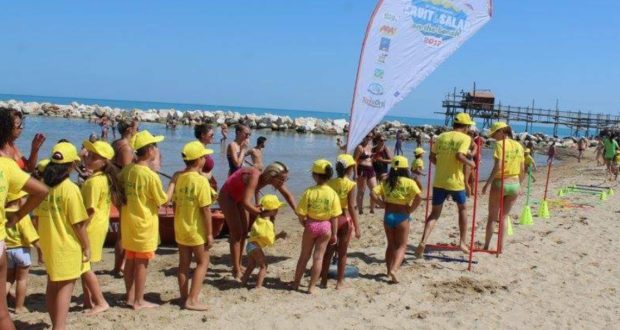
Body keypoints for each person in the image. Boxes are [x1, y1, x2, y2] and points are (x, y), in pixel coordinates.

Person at [34, 142, 108, 329]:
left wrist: (39, 244)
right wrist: (86, 246)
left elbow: (35, 217)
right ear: (71, 165)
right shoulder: (69, 189)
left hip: (49, 243)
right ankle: (59, 327)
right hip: (67, 245)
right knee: (65, 289)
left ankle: (55, 325)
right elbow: (79, 224)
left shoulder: (41, 187)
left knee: (52, 284)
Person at [0, 108, 49, 330]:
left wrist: (34, 149)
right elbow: (39, 189)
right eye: (18, 125)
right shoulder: (6, 162)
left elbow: (28, 169)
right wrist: (19, 214)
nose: (20, 129)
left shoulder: (12, 152)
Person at [218, 162, 296, 279]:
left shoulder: (271, 179)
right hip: (227, 196)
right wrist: (262, 215)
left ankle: (238, 265)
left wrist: (299, 213)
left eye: (285, 179)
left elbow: (288, 195)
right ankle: (235, 269)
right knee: (237, 233)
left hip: (240, 198)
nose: (283, 183)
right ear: (271, 176)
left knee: (244, 232)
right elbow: (246, 202)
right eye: (281, 180)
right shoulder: (254, 177)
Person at [415, 113, 476, 257]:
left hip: (439, 181)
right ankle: (462, 242)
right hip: (455, 182)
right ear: (466, 126)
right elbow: (459, 156)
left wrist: (441, 165)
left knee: (435, 213)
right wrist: (470, 163)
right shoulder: (466, 138)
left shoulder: (442, 136)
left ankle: (423, 240)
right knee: (462, 209)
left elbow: (431, 157)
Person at [119, 131, 168, 309]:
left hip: (128, 223)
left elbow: (118, 186)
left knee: (131, 260)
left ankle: (130, 297)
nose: (156, 149)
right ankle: (139, 300)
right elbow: (162, 200)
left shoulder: (127, 170)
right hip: (144, 225)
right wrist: (172, 186)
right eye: (154, 146)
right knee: (141, 263)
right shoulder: (150, 176)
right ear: (148, 151)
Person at [81, 140, 123, 311]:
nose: (88, 158)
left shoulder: (93, 182)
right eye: (89, 154)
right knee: (85, 265)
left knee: (83, 266)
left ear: (104, 161)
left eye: (94, 156)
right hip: (100, 225)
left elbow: (88, 211)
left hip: (90, 227)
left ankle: (99, 301)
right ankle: (87, 300)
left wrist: (78, 228)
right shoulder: (104, 178)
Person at [172, 141, 214, 310]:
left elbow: (175, 204)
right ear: (199, 160)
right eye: (204, 156)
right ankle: (192, 299)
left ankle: (184, 298)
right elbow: (206, 210)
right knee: (203, 262)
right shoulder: (201, 181)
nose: (206, 158)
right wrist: (210, 234)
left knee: (183, 264)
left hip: (180, 227)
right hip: (196, 230)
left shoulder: (179, 178)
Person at [293, 159, 341, 294]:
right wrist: (335, 234)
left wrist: (303, 222)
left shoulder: (309, 191)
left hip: (311, 224)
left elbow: (300, 212)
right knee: (318, 258)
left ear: (315, 175)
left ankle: (296, 284)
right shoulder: (332, 193)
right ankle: (311, 287)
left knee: (304, 256)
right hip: (326, 227)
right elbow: (335, 216)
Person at [371, 156, 421, 283]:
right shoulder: (409, 182)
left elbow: (373, 193)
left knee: (391, 245)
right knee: (402, 246)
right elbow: (419, 197)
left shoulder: (387, 181)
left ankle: (388, 271)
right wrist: (411, 209)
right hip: (402, 216)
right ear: (405, 169)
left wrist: (381, 204)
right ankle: (394, 269)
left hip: (388, 215)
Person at [481, 122, 524, 250]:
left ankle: (487, 246)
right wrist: (520, 185)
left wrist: (487, 184)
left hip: (501, 182)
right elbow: (522, 169)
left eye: (494, 133)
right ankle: (500, 247)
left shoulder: (500, 145)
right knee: (505, 217)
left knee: (492, 217)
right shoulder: (519, 145)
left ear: (501, 132)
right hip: (515, 183)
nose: (493, 136)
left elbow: (498, 166)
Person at [321, 154, 360, 289]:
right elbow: (351, 207)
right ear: (350, 168)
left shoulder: (329, 183)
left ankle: (323, 280)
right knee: (342, 253)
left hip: (330, 219)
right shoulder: (351, 184)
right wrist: (357, 227)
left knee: (328, 252)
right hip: (343, 218)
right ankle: (339, 282)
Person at [4, 192, 43, 314]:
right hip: (22, 251)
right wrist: (40, 253)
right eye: (25, 197)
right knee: (22, 280)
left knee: (8, 280)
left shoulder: (2, 214)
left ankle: (2, 305)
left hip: (7, 251)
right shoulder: (22, 216)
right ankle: (19, 307)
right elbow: (32, 237)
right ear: (19, 200)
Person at [110, 118, 139, 277]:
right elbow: (127, 173)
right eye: (136, 128)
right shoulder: (126, 147)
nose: (137, 130)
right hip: (121, 189)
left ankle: (117, 266)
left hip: (115, 187)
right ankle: (118, 267)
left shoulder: (116, 143)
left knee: (123, 228)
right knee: (123, 229)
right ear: (129, 130)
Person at [241, 194, 287, 289]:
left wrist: (271, 218)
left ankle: (243, 282)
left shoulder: (259, 217)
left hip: (249, 245)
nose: (278, 210)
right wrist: (280, 235)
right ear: (272, 211)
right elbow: (270, 241)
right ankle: (258, 286)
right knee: (264, 266)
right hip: (256, 247)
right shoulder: (267, 223)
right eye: (276, 209)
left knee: (251, 265)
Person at [353, 134, 377, 215]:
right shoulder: (359, 147)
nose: (369, 138)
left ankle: (372, 209)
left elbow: (371, 158)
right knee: (361, 190)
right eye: (367, 136)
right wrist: (355, 173)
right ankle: (360, 210)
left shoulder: (370, 146)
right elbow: (354, 161)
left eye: (370, 137)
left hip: (371, 169)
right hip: (362, 169)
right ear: (364, 137)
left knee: (375, 189)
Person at [194, 124, 218, 189]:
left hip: (206, 183)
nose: (213, 137)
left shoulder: (203, 148)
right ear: (203, 135)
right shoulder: (198, 149)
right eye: (211, 135)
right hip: (202, 185)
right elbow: (196, 170)